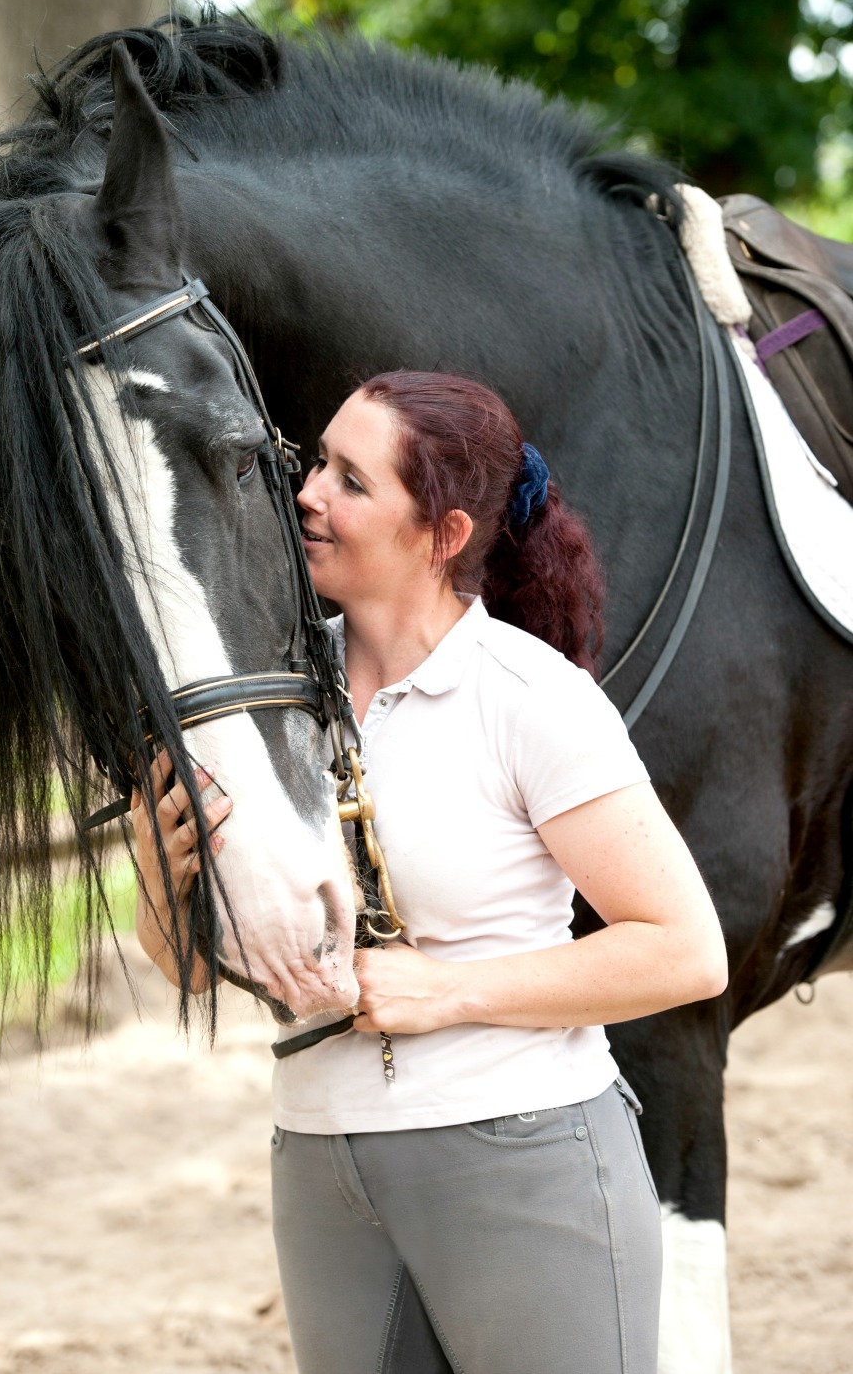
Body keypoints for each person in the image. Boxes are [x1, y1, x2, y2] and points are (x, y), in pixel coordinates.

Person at [132, 371, 728, 1374]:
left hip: (520, 1154)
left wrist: (450, 991)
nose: (308, 493)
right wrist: (158, 873)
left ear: (443, 534)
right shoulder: (258, 703)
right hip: (318, 1161)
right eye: (315, 462)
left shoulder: (530, 699)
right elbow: (190, 970)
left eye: (351, 481)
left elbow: (684, 952)